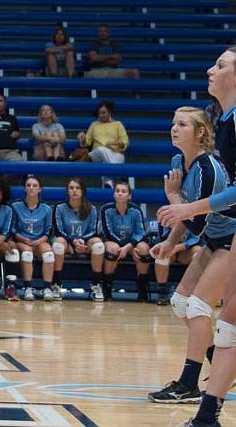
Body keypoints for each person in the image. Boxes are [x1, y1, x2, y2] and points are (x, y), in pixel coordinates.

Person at [147, 107, 235, 405]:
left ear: (200, 132)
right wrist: (171, 244)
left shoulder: (208, 167)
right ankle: (223, 362)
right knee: (181, 302)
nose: (174, 128)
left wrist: (172, 196)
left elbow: (194, 217)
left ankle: (188, 384)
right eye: (173, 123)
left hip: (230, 239)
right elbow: (185, 216)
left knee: (198, 306)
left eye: (182, 124)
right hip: (213, 239)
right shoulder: (177, 161)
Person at [53, 178, 105, 301]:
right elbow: (58, 230)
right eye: (71, 188)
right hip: (68, 243)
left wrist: (82, 241)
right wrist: (73, 241)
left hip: (84, 243)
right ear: (67, 191)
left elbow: (93, 231)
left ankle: (96, 285)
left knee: (98, 245)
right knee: (58, 243)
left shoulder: (91, 208)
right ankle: (56, 285)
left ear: (83, 191)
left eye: (77, 188)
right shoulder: (60, 208)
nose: (74, 191)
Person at [100, 179, 151, 301]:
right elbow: (108, 232)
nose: (120, 193)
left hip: (131, 244)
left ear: (129, 196)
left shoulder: (136, 210)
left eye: (123, 191)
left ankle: (141, 287)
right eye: (117, 191)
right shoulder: (106, 209)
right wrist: (124, 246)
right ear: (113, 194)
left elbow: (141, 232)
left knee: (144, 249)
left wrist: (129, 246)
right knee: (112, 249)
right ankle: (107, 287)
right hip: (113, 242)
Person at [11, 175, 56, 301]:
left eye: (35, 186)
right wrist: (23, 239)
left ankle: (47, 288)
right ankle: (28, 288)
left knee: (49, 254)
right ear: (25, 189)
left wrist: (41, 240)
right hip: (22, 240)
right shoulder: (16, 206)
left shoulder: (46, 209)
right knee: (27, 253)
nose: (31, 188)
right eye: (28, 185)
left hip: (39, 241)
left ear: (40, 189)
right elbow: (13, 229)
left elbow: (48, 230)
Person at [76, 101, 128, 186]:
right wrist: (82, 137)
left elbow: (125, 142)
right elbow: (87, 142)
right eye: (99, 113)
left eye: (103, 113)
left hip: (115, 154)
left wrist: (114, 143)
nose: (101, 115)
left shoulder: (118, 124)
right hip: (97, 154)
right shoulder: (94, 125)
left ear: (110, 112)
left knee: (105, 162)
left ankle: (108, 183)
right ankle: (118, 172)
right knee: (101, 150)